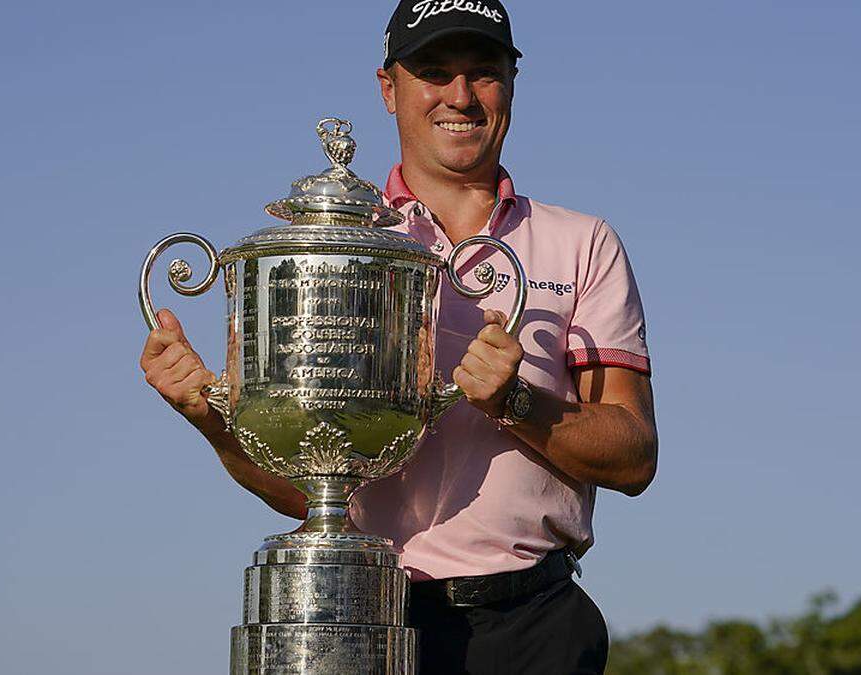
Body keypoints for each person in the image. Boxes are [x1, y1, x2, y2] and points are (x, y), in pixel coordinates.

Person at [140, 1, 658, 672]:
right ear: (390, 89)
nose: (461, 97)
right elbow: (310, 485)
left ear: (512, 82)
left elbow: (633, 457)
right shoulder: (333, 246)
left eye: (484, 72)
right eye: (435, 72)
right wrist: (211, 418)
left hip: (533, 625)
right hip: (359, 611)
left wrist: (514, 402)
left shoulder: (582, 242)